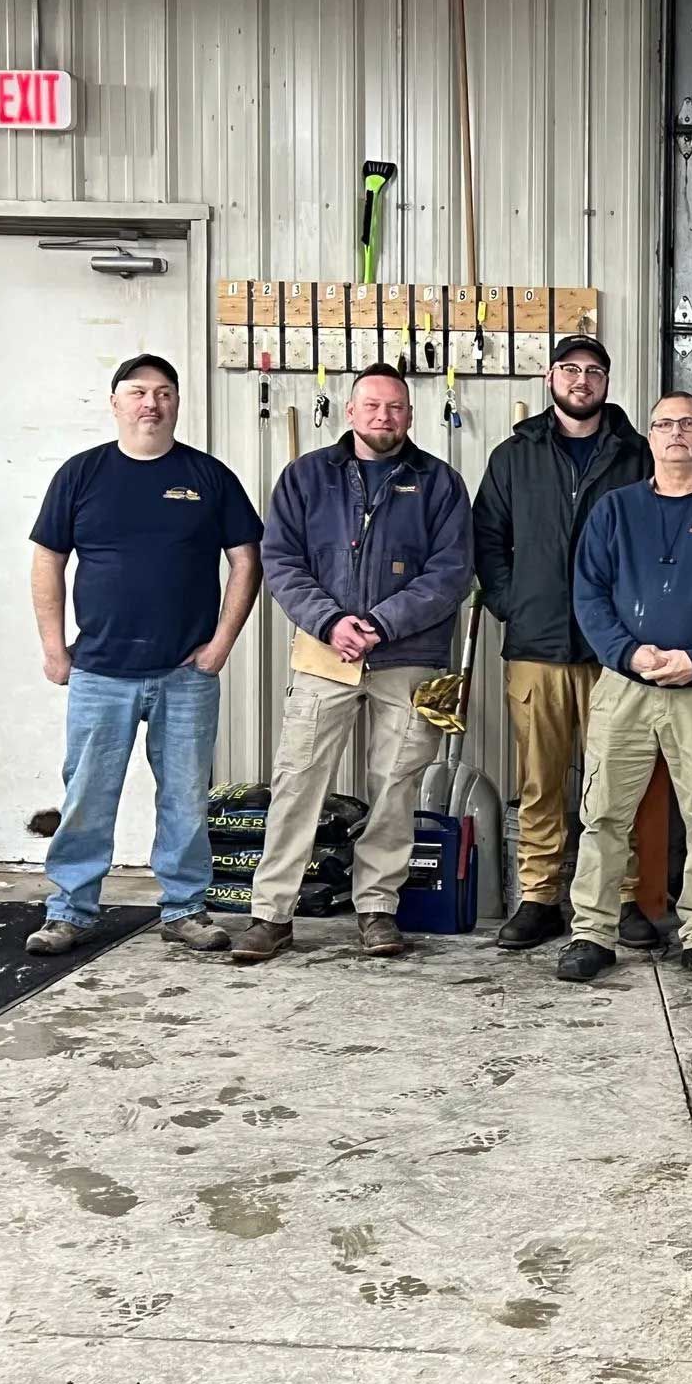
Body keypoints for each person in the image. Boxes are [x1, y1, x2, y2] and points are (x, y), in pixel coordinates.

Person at [230, 363, 473, 962]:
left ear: (410, 416)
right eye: (372, 406)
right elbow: (281, 561)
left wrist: (383, 623)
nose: (383, 417)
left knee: (394, 784)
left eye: (395, 407)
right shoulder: (306, 478)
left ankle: (377, 910)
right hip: (323, 651)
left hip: (409, 655)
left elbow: (450, 574)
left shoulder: (440, 484)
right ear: (350, 411)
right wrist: (330, 621)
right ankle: (271, 914)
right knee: (298, 778)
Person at [25, 354, 261, 955]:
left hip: (185, 673)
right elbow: (47, 560)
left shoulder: (208, 477)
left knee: (184, 796)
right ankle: (70, 911)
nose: (150, 403)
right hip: (100, 672)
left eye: (162, 393)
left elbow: (246, 560)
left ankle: (184, 909)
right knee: (87, 795)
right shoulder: (81, 475)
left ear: (177, 403)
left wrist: (220, 645)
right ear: (115, 402)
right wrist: (54, 649)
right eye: (137, 392)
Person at [556, 393, 692, 984]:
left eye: (689, 425)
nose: (677, 434)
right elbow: (589, 594)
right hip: (624, 685)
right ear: (649, 437)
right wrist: (627, 652)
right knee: (602, 813)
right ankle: (591, 933)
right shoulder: (614, 511)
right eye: (665, 424)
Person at [474, 334, 667, 953]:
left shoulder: (638, 456)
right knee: (541, 781)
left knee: (620, 782)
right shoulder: (514, 456)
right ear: (550, 377)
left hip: (617, 649)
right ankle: (540, 898)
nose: (581, 380)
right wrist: (514, 605)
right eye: (569, 369)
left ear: (607, 382)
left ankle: (625, 897)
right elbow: (488, 542)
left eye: (593, 371)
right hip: (536, 647)